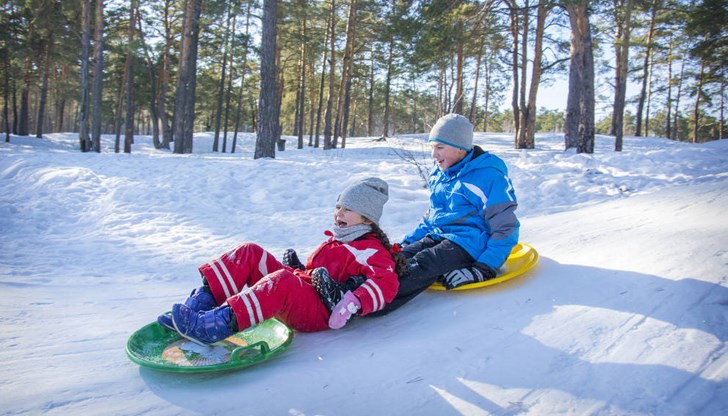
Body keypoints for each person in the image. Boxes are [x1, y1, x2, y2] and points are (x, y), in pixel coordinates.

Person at [314, 114, 519, 318]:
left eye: (440, 147)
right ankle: (343, 286)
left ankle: (358, 301)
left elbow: (506, 226)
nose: (433, 155)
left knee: (424, 262)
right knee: (397, 259)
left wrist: (484, 268)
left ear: (460, 147)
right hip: (440, 235)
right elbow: (433, 217)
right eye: (432, 147)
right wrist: (406, 243)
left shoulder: (489, 176)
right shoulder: (442, 173)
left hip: (470, 243)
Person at [158, 177, 406, 344]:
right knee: (250, 251)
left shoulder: (370, 249)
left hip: (319, 312)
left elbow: (387, 282)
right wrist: (301, 270)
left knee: (283, 281)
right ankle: (199, 306)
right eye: (338, 206)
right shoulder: (341, 238)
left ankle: (213, 327)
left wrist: (352, 302)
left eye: (347, 209)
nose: (338, 213)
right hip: (308, 294)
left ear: (366, 219)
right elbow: (316, 275)